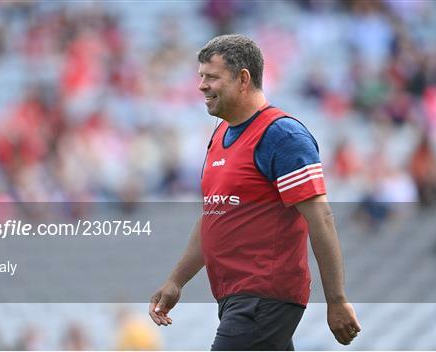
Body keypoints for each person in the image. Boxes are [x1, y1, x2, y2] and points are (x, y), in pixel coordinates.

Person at [149, 34, 361, 350]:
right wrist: (176, 280)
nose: (202, 86)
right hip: (237, 298)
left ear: (243, 79)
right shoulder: (220, 135)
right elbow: (213, 215)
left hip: (263, 296)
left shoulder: (282, 135)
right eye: (201, 77)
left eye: (212, 77)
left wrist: (337, 299)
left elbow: (321, 218)